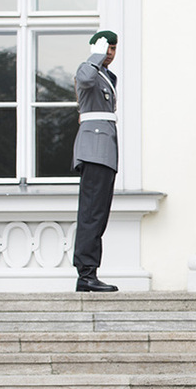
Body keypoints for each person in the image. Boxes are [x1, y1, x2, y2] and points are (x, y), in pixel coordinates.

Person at [72, 30, 120, 292]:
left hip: (105, 149)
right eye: (106, 48)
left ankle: (90, 271)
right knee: (91, 213)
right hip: (94, 149)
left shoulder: (108, 76)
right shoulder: (88, 68)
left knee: (98, 214)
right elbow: (84, 79)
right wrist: (95, 55)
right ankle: (86, 273)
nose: (110, 53)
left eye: (113, 48)